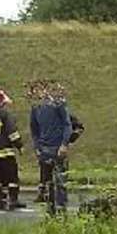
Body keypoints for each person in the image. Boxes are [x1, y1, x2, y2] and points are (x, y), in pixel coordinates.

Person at [28, 79, 84, 212]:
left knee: (60, 180)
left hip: (57, 147)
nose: (37, 93)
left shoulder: (58, 104)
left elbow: (67, 124)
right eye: (34, 91)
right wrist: (37, 147)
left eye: (39, 89)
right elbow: (34, 129)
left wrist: (65, 144)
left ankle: (61, 207)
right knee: (47, 181)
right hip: (44, 148)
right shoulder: (35, 109)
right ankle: (50, 208)